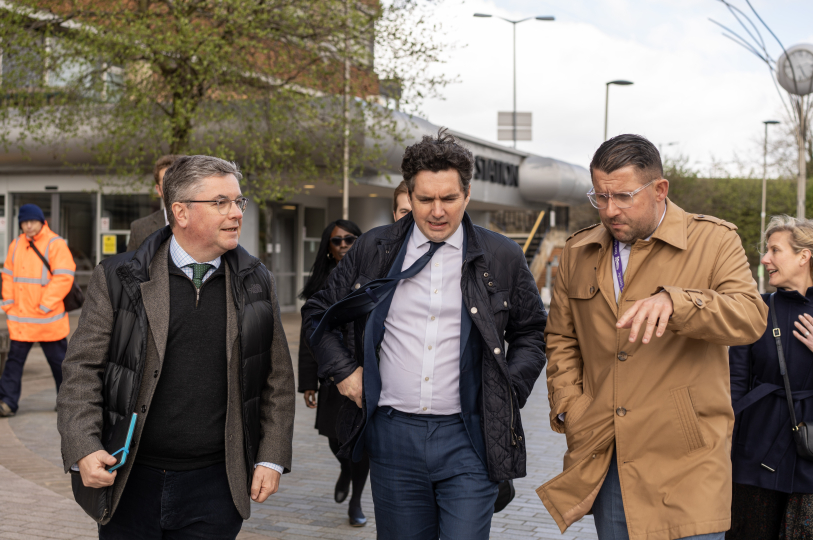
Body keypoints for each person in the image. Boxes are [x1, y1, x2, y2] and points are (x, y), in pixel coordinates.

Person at [303, 129, 547, 540]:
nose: (437, 211)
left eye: (448, 198)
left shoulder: (502, 255)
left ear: (466, 196)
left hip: (471, 436)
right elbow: (317, 313)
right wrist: (344, 373)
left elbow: (532, 333)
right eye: (425, 199)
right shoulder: (373, 249)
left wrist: (507, 390)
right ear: (409, 197)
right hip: (393, 434)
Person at [536, 134, 768, 540]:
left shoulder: (714, 240)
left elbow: (750, 317)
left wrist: (679, 304)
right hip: (608, 458)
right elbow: (561, 339)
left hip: (689, 464)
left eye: (624, 196)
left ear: (660, 189)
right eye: (601, 197)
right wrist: (571, 407)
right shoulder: (577, 251)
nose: (610, 210)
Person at [57, 155, 295, 539]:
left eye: (238, 201)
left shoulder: (256, 280)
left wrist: (272, 457)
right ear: (180, 212)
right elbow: (81, 370)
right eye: (221, 202)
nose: (236, 213)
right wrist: (82, 445)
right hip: (129, 479)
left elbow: (278, 378)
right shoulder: (118, 278)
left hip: (216, 487)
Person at [728, 216, 813, 540]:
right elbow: (735, 384)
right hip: (755, 452)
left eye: (774, 250)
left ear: (803, 256)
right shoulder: (756, 309)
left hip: (810, 457)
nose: (765, 259)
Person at [297, 218, 368, 526]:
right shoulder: (321, 284)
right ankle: (344, 468)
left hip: (363, 373)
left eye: (349, 239)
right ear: (327, 247)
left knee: (361, 442)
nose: (343, 246)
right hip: (330, 376)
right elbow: (308, 337)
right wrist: (308, 382)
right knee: (334, 440)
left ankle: (356, 501)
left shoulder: (370, 274)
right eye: (336, 241)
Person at [0, 204, 76, 418]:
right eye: (24, 222)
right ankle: (6, 402)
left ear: (41, 221)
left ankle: (70, 402)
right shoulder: (16, 244)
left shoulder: (55, 243)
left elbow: (64, 276)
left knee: (59, 364)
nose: (28, 226)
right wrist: (8, 303)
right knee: (14, 362)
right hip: (21, 319)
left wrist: (45, 304)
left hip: (47, 319)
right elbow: (8, 276)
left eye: (32, 221)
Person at [127, 154, 183, 252]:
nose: (172, 187)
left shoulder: (204, 222)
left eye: (177, 180)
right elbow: (131, 266)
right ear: (158, 189)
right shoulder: (139, 229)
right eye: (166, 182)